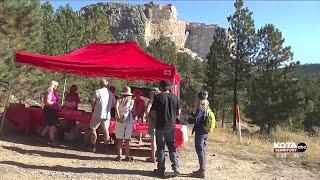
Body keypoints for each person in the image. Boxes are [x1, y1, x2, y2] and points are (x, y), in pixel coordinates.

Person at [151, 80, 181, 178]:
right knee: (171, 146)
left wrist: (155, 118)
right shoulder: (175, 97)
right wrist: (172, 117)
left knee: (160, 148)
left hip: (160, 125)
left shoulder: (158, 97)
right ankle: (176, 167)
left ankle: (160, 169)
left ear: (162, 87)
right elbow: (179, 112)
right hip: (171, 126)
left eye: (159, 86)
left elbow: (153, 112)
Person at [87, 79, 115, 152]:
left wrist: (95, 107)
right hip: (107, 114)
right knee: (106, 130)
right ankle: (106, 147)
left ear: (100, 84)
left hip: (97, 113)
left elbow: (93, 103)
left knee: (93, 129)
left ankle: (93, 146)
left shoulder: (97, 92)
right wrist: (108, 108)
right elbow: (114, 104)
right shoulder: (111, 93)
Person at [190, 91, 210, 178]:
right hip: (205, 132)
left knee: (200, 150)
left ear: (198, 98)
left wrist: (188, 119)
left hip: (200, 132)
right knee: (203, 150)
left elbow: (196, 120)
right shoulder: (207, 107)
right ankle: (202, 169)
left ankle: (202, 171)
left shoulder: (200, 108)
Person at [115, 86, 134, 162]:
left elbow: (116, 108)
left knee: (119, 139)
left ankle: (119, 156)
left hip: (120, 119)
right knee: (127, 139)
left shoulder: (119, 100)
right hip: (128, 120)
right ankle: (127, 155)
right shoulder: (132, 101)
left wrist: (118, 117)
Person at [145, 89, 160, 163]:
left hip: (153, 121)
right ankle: (159, 157)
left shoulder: (151, 101)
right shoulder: (161, 101)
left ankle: (153, 157)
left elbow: (147, 111)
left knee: (153, 140)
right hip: (160, 122)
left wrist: (148, 117)